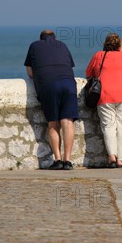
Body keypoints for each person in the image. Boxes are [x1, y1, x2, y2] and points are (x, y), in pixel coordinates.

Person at [24, 29, 78, 170]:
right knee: (67, 122)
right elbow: (69, 66)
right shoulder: (63, 45)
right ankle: (68, 161)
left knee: (53, 123)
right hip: (69, 84)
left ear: (41, 38)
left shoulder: (34, 46)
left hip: (48, 86)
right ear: (55, 38)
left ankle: (58, 160)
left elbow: (30, 73)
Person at [86, 33, 122, 168]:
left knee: (108, 127)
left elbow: (88, 74)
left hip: (105, 96)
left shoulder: (99, 55)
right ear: (119, 45)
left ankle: (112, 156)